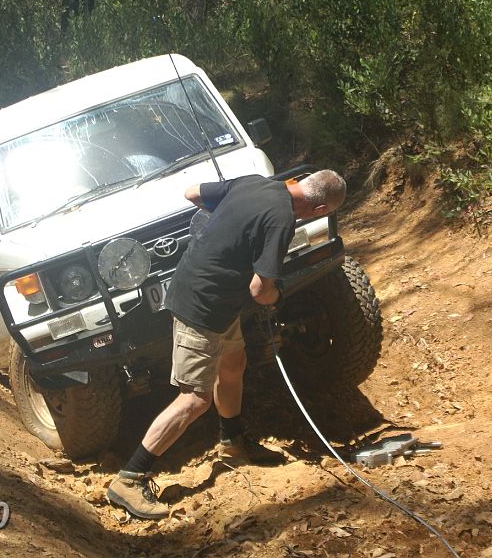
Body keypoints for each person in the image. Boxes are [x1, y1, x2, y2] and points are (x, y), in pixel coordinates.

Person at [106, 169, 347, 519]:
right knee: (194, 400)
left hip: (220, 302)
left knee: (233, 364)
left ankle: (232, 443)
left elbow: (192, 193)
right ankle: (129, 477)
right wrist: (276, 294)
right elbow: (260, 291)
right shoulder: (282, 220)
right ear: (320, 207)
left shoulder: (253, 181)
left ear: (303, 180)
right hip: (201, 307)